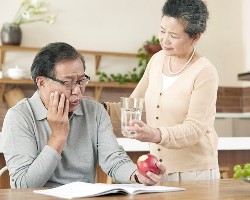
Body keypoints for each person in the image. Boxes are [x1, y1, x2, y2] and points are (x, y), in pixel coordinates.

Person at [2, 42, 165, 188]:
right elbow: (24, 185)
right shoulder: (19, 117)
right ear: (42, 83)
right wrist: (58, 137)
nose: (77, 91)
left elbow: (114, 160)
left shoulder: (94, 111)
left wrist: (137, 176)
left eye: (81, 81)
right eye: (67, 83)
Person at [106, 0, 220, 181]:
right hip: (158, 170)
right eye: (162, 30)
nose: (164, 40)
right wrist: (99, 108)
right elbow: (132, 105)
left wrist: (155, 134)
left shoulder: (205, 71)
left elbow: (194, 130)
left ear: (195, 37)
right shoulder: (157, 60)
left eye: (174, 35)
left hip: (196, 173)